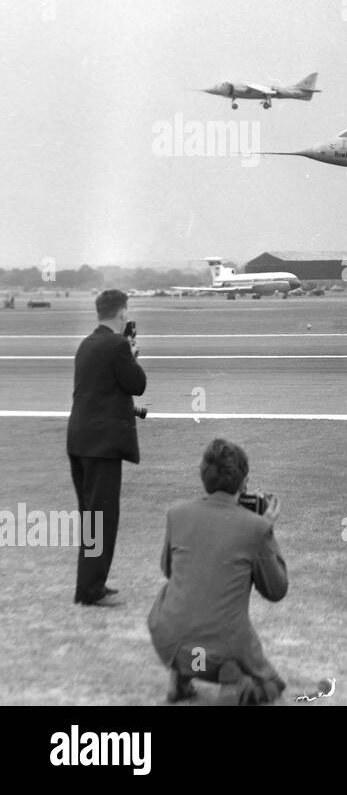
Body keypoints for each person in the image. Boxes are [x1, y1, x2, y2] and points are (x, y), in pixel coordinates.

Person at [147, 438, 289, 705]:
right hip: (222, 651)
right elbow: (276, 590)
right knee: (269, 686)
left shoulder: (177, 514)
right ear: (243, 482)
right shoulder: (255, 528)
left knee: (176, 594)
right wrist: (267, 530)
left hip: (170, 643)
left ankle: (182, 675)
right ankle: (234, 682)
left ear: (204, 476)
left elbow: (169, 570)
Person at [66, 289, 146, 607]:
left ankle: (89, 584)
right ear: (122, 313)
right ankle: (90, 590)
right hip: (102, 445)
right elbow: (137, 385)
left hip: (79, 440)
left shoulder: (86, 343)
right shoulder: (116, 345)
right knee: (102, 518)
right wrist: (132, 354)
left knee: (91, 518)